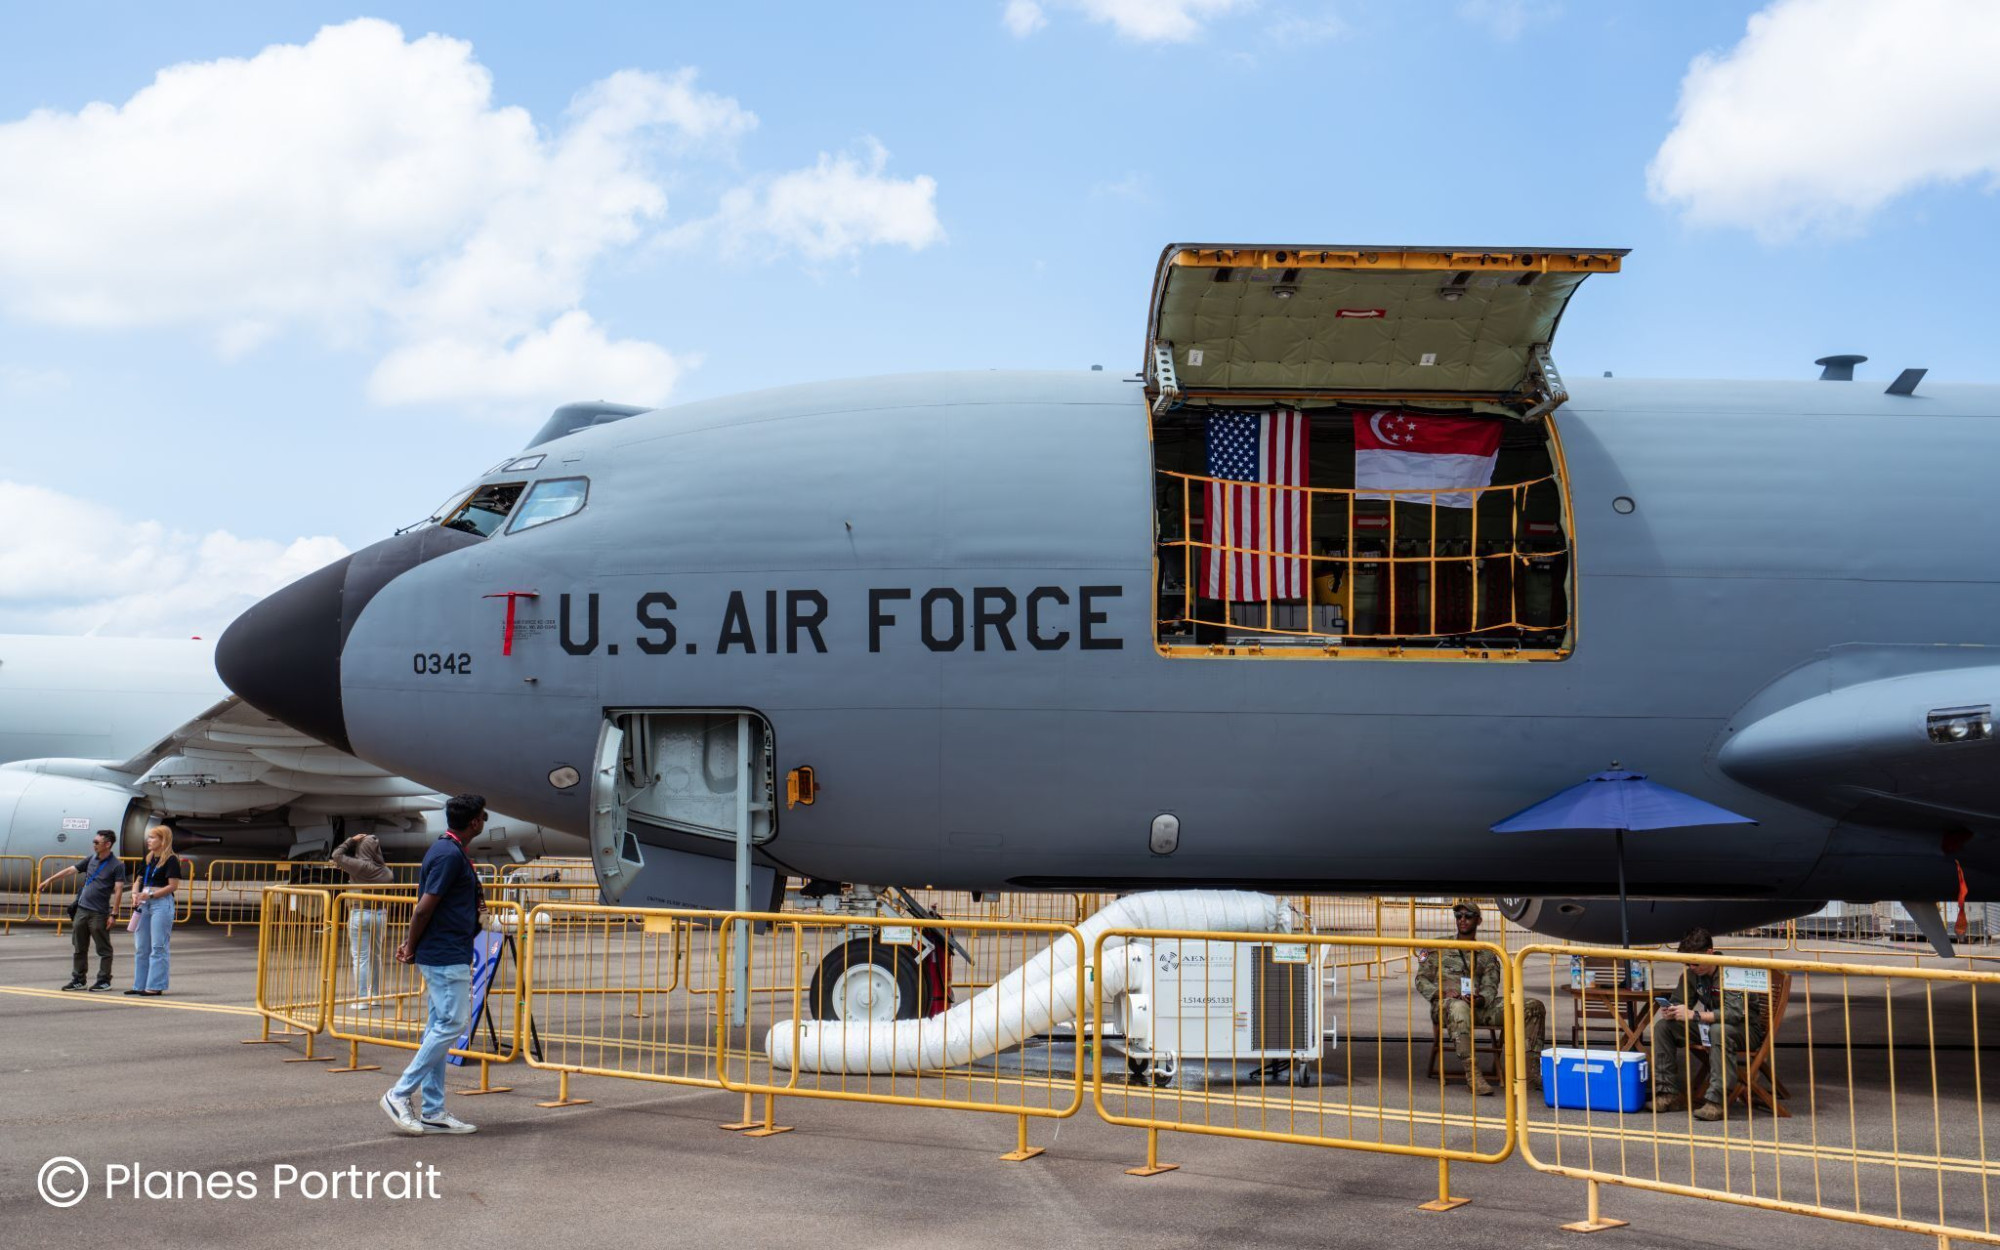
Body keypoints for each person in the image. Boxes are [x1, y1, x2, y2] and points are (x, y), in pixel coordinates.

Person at [380, 796, 487, 1136]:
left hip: (446, 950)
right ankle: (399, 1094)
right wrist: (411, 945)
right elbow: (424, 908)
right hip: (445, 954)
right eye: (483, 816)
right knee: (452, 1024)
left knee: (438, 1028)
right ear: (474, 822)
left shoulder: (448, 851)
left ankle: (433, 1110)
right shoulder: (449, 855)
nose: (484, 820)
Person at [1415, 900, 1547, 1094]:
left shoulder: (1487, 953)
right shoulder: (1439, 946)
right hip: (1447, 1006)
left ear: (1478, 921)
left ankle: (1530, 1072)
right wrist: (1441, 993)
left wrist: (1482, 998)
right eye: (1458, 916)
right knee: (1458, 1007)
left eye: (1468, 916)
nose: (1462, 920)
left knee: (1533, 1006)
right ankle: (1473, 1075)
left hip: (1479, 1007)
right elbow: (1421, 980)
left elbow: (1490, 985)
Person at [1648, 927, 1769, 1120]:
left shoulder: (1732, 971)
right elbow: (1680, 1001)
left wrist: (1694, 1015)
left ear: (1710, 953)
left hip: (1744, 1029)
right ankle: (1666, 1092)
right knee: (1664, 1027)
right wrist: (1672, 1011)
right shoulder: (1692, 974)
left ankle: (1716, 1102)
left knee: (1719, 1030)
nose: (1691, 967)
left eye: (1695, 962)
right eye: (1687, 963)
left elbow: (1733, 1014)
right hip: (1712, 1027)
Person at [40, 830, 127, 991]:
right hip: (82, 910)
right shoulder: (91, 859)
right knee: (79, 947)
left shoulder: (117, 865)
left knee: (103, 949)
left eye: (97, 842)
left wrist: (114, 914)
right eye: (94, 841)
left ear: (107, 844)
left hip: (99, 913)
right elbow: (70, 870)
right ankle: (79, 979)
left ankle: (104, 980)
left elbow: (119, 889)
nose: (94, 844)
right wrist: (50, 880)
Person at [331, 831, 395, 1006]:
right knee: (376, 956)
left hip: (360, 913)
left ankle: (361, 999)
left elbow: (336, 855)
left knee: (361, 958)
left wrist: (351, 841)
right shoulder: (386, 871)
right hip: (380, 914)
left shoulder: (358, 866)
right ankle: (375, 996)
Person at [125, 825, 181, 996]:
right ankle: (139, 985)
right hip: (144, 902)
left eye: (152, 837)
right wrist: (134, 894)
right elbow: (138, 879)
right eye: (148, 837)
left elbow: (172, 886)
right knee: (142, 946)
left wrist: (151, 895)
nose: (148, 840)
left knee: (158, 946)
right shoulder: (148, 858)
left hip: (160, 903)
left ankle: (155, 986)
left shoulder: (171, 859)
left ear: (163, 840)